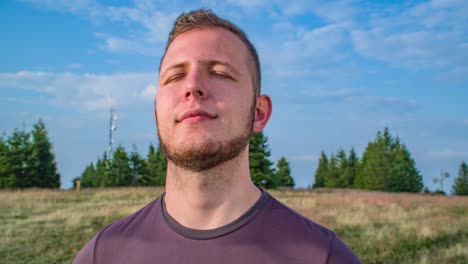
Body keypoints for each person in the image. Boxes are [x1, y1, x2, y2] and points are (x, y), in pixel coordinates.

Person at [73, 9, 361, 264]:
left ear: (258, 113)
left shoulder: (323, 257)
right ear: (156, 113)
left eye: (220, 73)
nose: (193, 86)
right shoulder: (102, 255)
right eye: (175, 76)